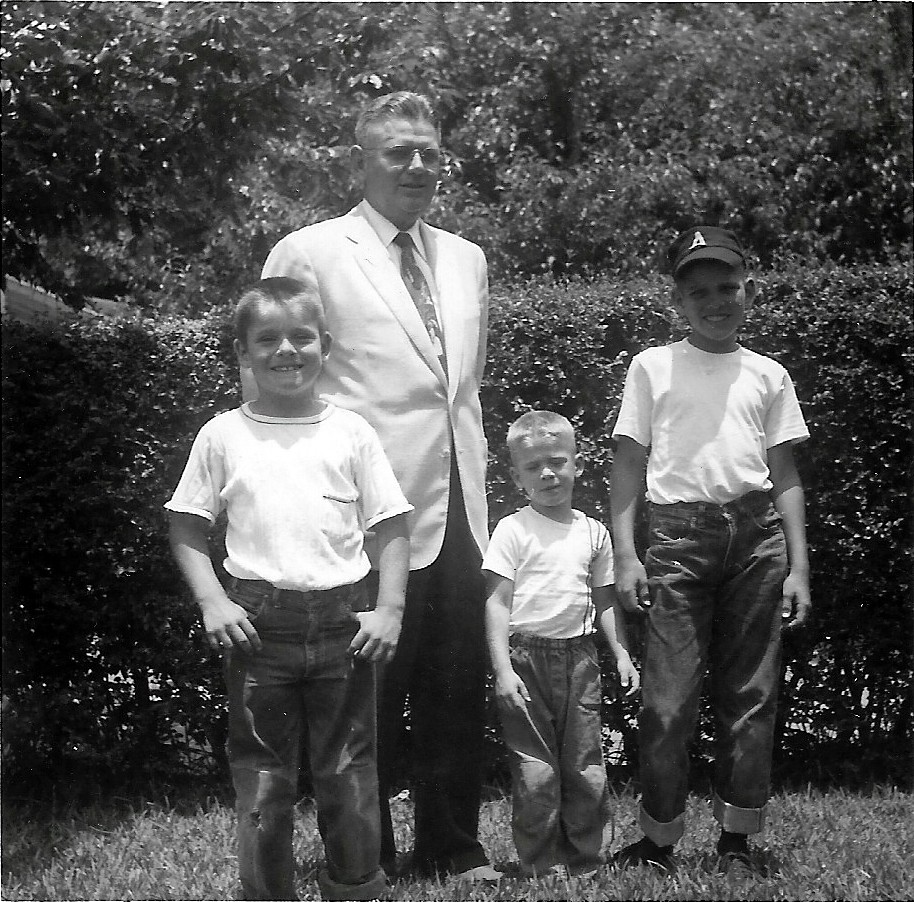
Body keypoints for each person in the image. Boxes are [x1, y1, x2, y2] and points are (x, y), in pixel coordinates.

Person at [259, 92, 499, 881]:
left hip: (460, 504)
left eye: (429, 151)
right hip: (362, 515)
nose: (419, 166)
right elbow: (279, 375)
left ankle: (454, 848)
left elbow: (460, 388)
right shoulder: (311, 251)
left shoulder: (467, 259)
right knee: (364, 696)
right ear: (361, 160)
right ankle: (366, 856)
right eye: (399, 152)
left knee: (455, 689)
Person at [166, 277, 412, 901]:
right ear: (243, 353)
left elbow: (390, 526)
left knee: (350, 776)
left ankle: (355, 887)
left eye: (302, 337)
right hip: (259, 629)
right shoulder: (223, 435)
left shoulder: (350, 432)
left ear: (325, 345)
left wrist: (390, 608)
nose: (286, 351)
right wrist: (212, 600)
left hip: (343, 628)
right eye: (267, 339)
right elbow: (187, 525)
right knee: (264, 786)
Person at [609, 226, 812, 878]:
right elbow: (627, 465)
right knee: (667, 703)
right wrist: (624, 553)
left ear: (748, 288)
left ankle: (736, 841)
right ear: (678, 300)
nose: (716, 301)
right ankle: (659, 840)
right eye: (699, 291)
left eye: (728, 287)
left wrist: (799, 567)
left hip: (758, 543)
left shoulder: (768, 375)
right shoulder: (652, 367)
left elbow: (785, 476)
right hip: (678, 540)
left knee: (749, 696)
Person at [483, 410, 639, 878]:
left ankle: (587, 861)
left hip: (580, 660)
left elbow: (605, 598)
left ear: (577, 463)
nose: (548, 474)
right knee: (536, 771)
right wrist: (502, 670)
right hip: (525, 658)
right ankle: (541, 864)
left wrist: (622, 654)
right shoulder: (512, 530)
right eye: (534, 467)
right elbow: (496, 602)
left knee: (586, 765)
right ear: (516, 476)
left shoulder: (594, 532)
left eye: (557, 462)